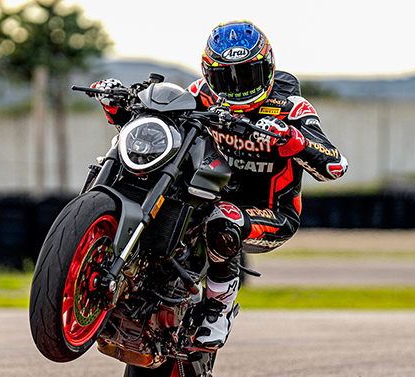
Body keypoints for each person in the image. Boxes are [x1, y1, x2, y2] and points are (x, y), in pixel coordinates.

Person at [90, 20, 348, 349]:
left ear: (267, 68)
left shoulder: (291, 107)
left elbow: (335, 165)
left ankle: (218, 309)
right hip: (207, 195)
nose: (237, 88)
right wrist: (120, 105)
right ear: (209, 73)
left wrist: (291, 138)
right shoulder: (201, 93)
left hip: (270, 212)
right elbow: (157, 121)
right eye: (226, 77)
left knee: (225, 219)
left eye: (246, 76)